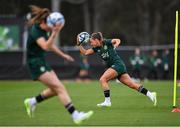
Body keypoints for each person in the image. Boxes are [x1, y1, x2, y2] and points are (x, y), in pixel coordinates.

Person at [24, 5, 93, 124]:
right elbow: (45, 46)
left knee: (55, 89)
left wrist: (63, 55)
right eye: (57, 26)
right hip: (34, 63)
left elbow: (49, 45)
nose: (57, 29)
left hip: (41, 61)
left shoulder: (45, 29)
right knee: (60, 88)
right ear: (50, 23)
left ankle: (32, 102)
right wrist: (55, 33)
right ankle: (75, 115)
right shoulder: (36, 31)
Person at [77, 32, 157, 107]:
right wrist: (79, 44)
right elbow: (85, 52)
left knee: (103, 79)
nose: (90, 43)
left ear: (97, 40)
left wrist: (116, 44)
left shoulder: (106, 42)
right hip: (118, 66)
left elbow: (117, 40)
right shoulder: (96, 48)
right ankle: (150, 94)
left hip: (117, 65)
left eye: (91, 42)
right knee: (132, 85)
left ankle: (107, 101)